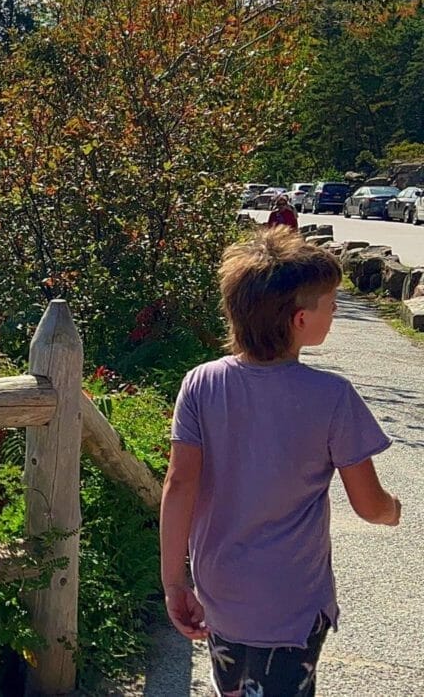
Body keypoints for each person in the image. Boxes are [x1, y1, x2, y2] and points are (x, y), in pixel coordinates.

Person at [160, 227, 400, 697]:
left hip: (219, 588)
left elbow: (179, 485)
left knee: (230, 687)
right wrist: (395, 510)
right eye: (330, 303)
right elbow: (369, 505)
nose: (335, 311)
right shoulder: (332, 397)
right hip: (290, 599)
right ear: (299, 320)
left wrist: (173, 580)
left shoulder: (201, 383)